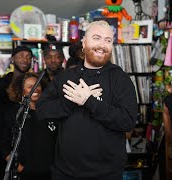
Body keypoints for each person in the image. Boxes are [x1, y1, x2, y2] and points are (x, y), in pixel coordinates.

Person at [36, 20, 138, 180]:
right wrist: (71, 101)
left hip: (106, 174)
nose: (102, 45)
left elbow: (127, 122)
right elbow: (42, 111)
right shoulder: (66, 76)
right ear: (84, 43)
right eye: (96, 38)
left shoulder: (120, 79)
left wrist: (89, 101)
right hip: (64, 173)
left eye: (108, 40)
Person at [0, 72, 56, 180]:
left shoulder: (49, 112)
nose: (36, 89)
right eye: (30, 86)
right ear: (20, 90)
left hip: (50, 174)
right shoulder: (14, 113)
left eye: (37, 85)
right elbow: (3, 147)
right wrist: (20, 169)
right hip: (24, 174)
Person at [0, 46, 33, 180]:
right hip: (4, 139)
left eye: (28, 56)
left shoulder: (37, 83)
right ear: (13, 59)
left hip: (28, 140)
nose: (25, 59)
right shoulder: (0, 84)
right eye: (21, 55)